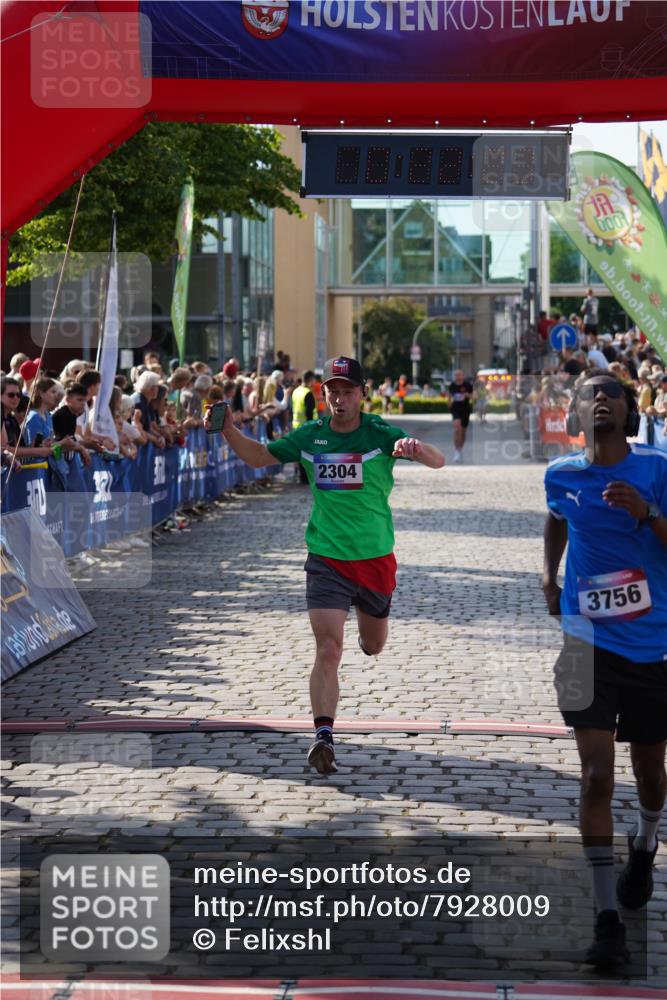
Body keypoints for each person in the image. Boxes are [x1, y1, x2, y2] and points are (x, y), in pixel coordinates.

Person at [206, 355, 445, 775]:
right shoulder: (310, 436)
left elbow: (438, 462)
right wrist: (228, 429)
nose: (339, 398)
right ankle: (323, 735)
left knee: (373, 645)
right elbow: (261, 457)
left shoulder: (379, 433)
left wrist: (417, 449)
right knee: (328, 648)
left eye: (348, 391)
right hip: (326, 559)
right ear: (324, 394)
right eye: (332, 391)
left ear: (362, 394)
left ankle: (367, 639)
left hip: (374, 560)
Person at [542, 369, 666, 970]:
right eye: (590, 394)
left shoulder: (657, 469)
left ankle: (644, 841)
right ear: (575, 411)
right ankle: (606, 921)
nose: (600, 400)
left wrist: (647, 513)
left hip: (652, 648)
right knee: (595, 778)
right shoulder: (560, 475)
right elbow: (557, 518)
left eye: (611, 394)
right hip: (585, 641)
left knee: (650, 774)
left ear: (629, 412)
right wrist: (549, 573)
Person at [291, 371, 317, 483]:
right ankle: (306, 477)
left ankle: (301, 476)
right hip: (306, 428)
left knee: (299, 453)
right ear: (310, 380)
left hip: (296, 426)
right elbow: (309, 413)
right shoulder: (308, 393)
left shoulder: (296, 391)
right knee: (308, 454)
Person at [449, 369, 473, 462]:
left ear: (463, 376)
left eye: (459, 375)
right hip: (455, 409)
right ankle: (456, 451)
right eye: (456, 375)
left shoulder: (467, 385)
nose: (458, 377)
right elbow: (450, 396)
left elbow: (474, 396)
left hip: (465, 410)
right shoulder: (452, 385)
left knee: (463, 432)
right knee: (457, 429)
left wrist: (467, 395)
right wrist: (449, 403)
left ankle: (460, 449)